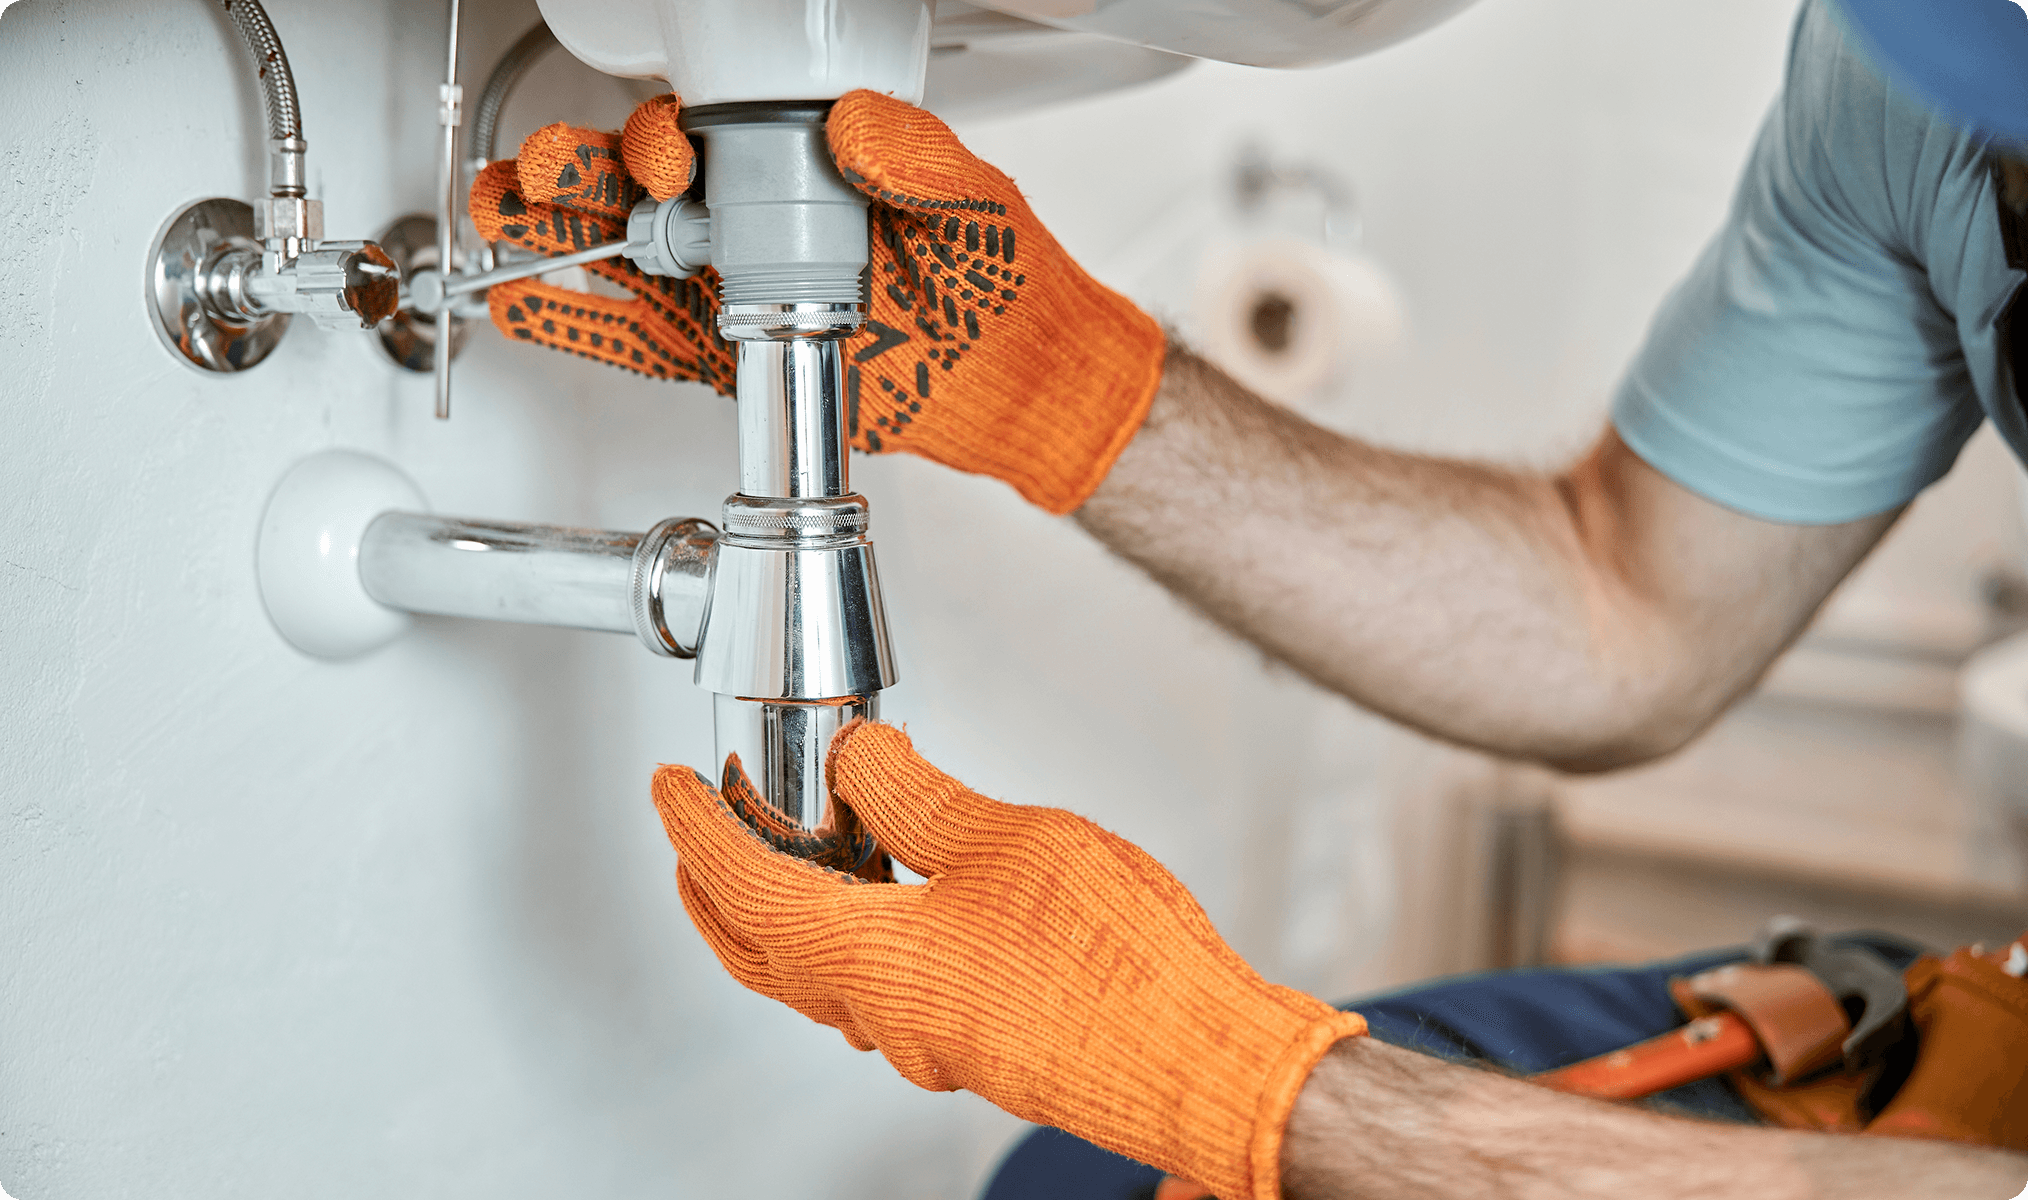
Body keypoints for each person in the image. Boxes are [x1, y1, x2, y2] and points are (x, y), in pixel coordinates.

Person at [470, 1, 2028, 1195]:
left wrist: (1272, 1092)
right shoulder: (1917, 74)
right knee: (1087, 1179)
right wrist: (1059, 387)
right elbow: (1627, 616)